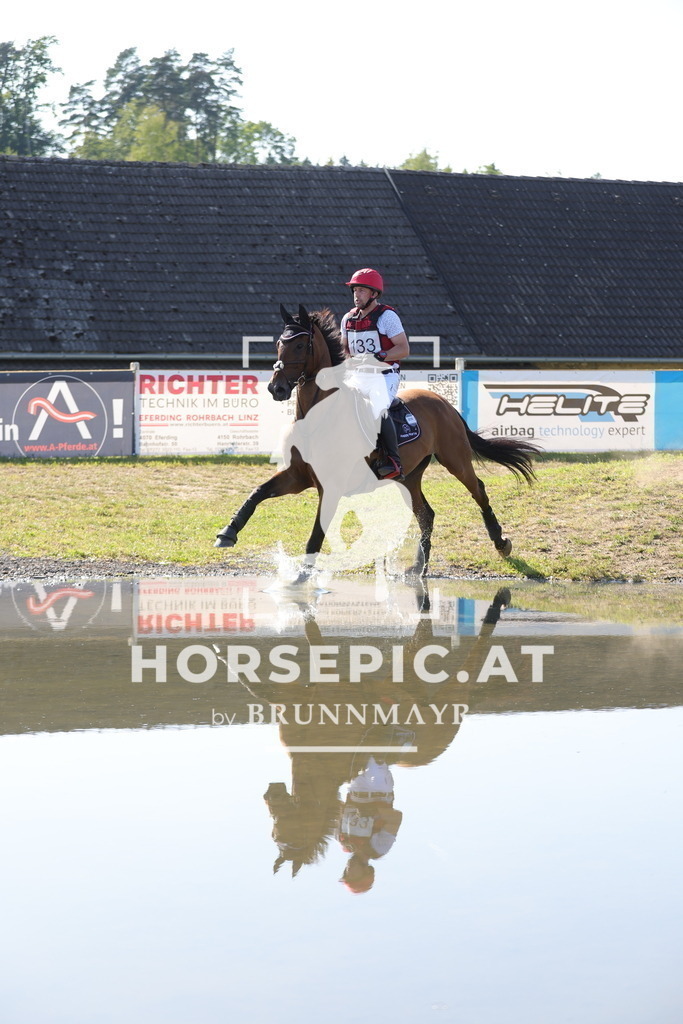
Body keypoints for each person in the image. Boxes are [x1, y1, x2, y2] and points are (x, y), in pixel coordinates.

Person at [341, 268, 410, 480]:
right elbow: (345, 350)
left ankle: (393, 462)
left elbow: (403, 349)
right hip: (358, 376)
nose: (356, 295)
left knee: (378, 408)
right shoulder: (347, 319)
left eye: (361, 290)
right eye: (355, 290)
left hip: (384, 375)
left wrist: (379, 355)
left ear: (374, 294)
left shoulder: (386, 316)